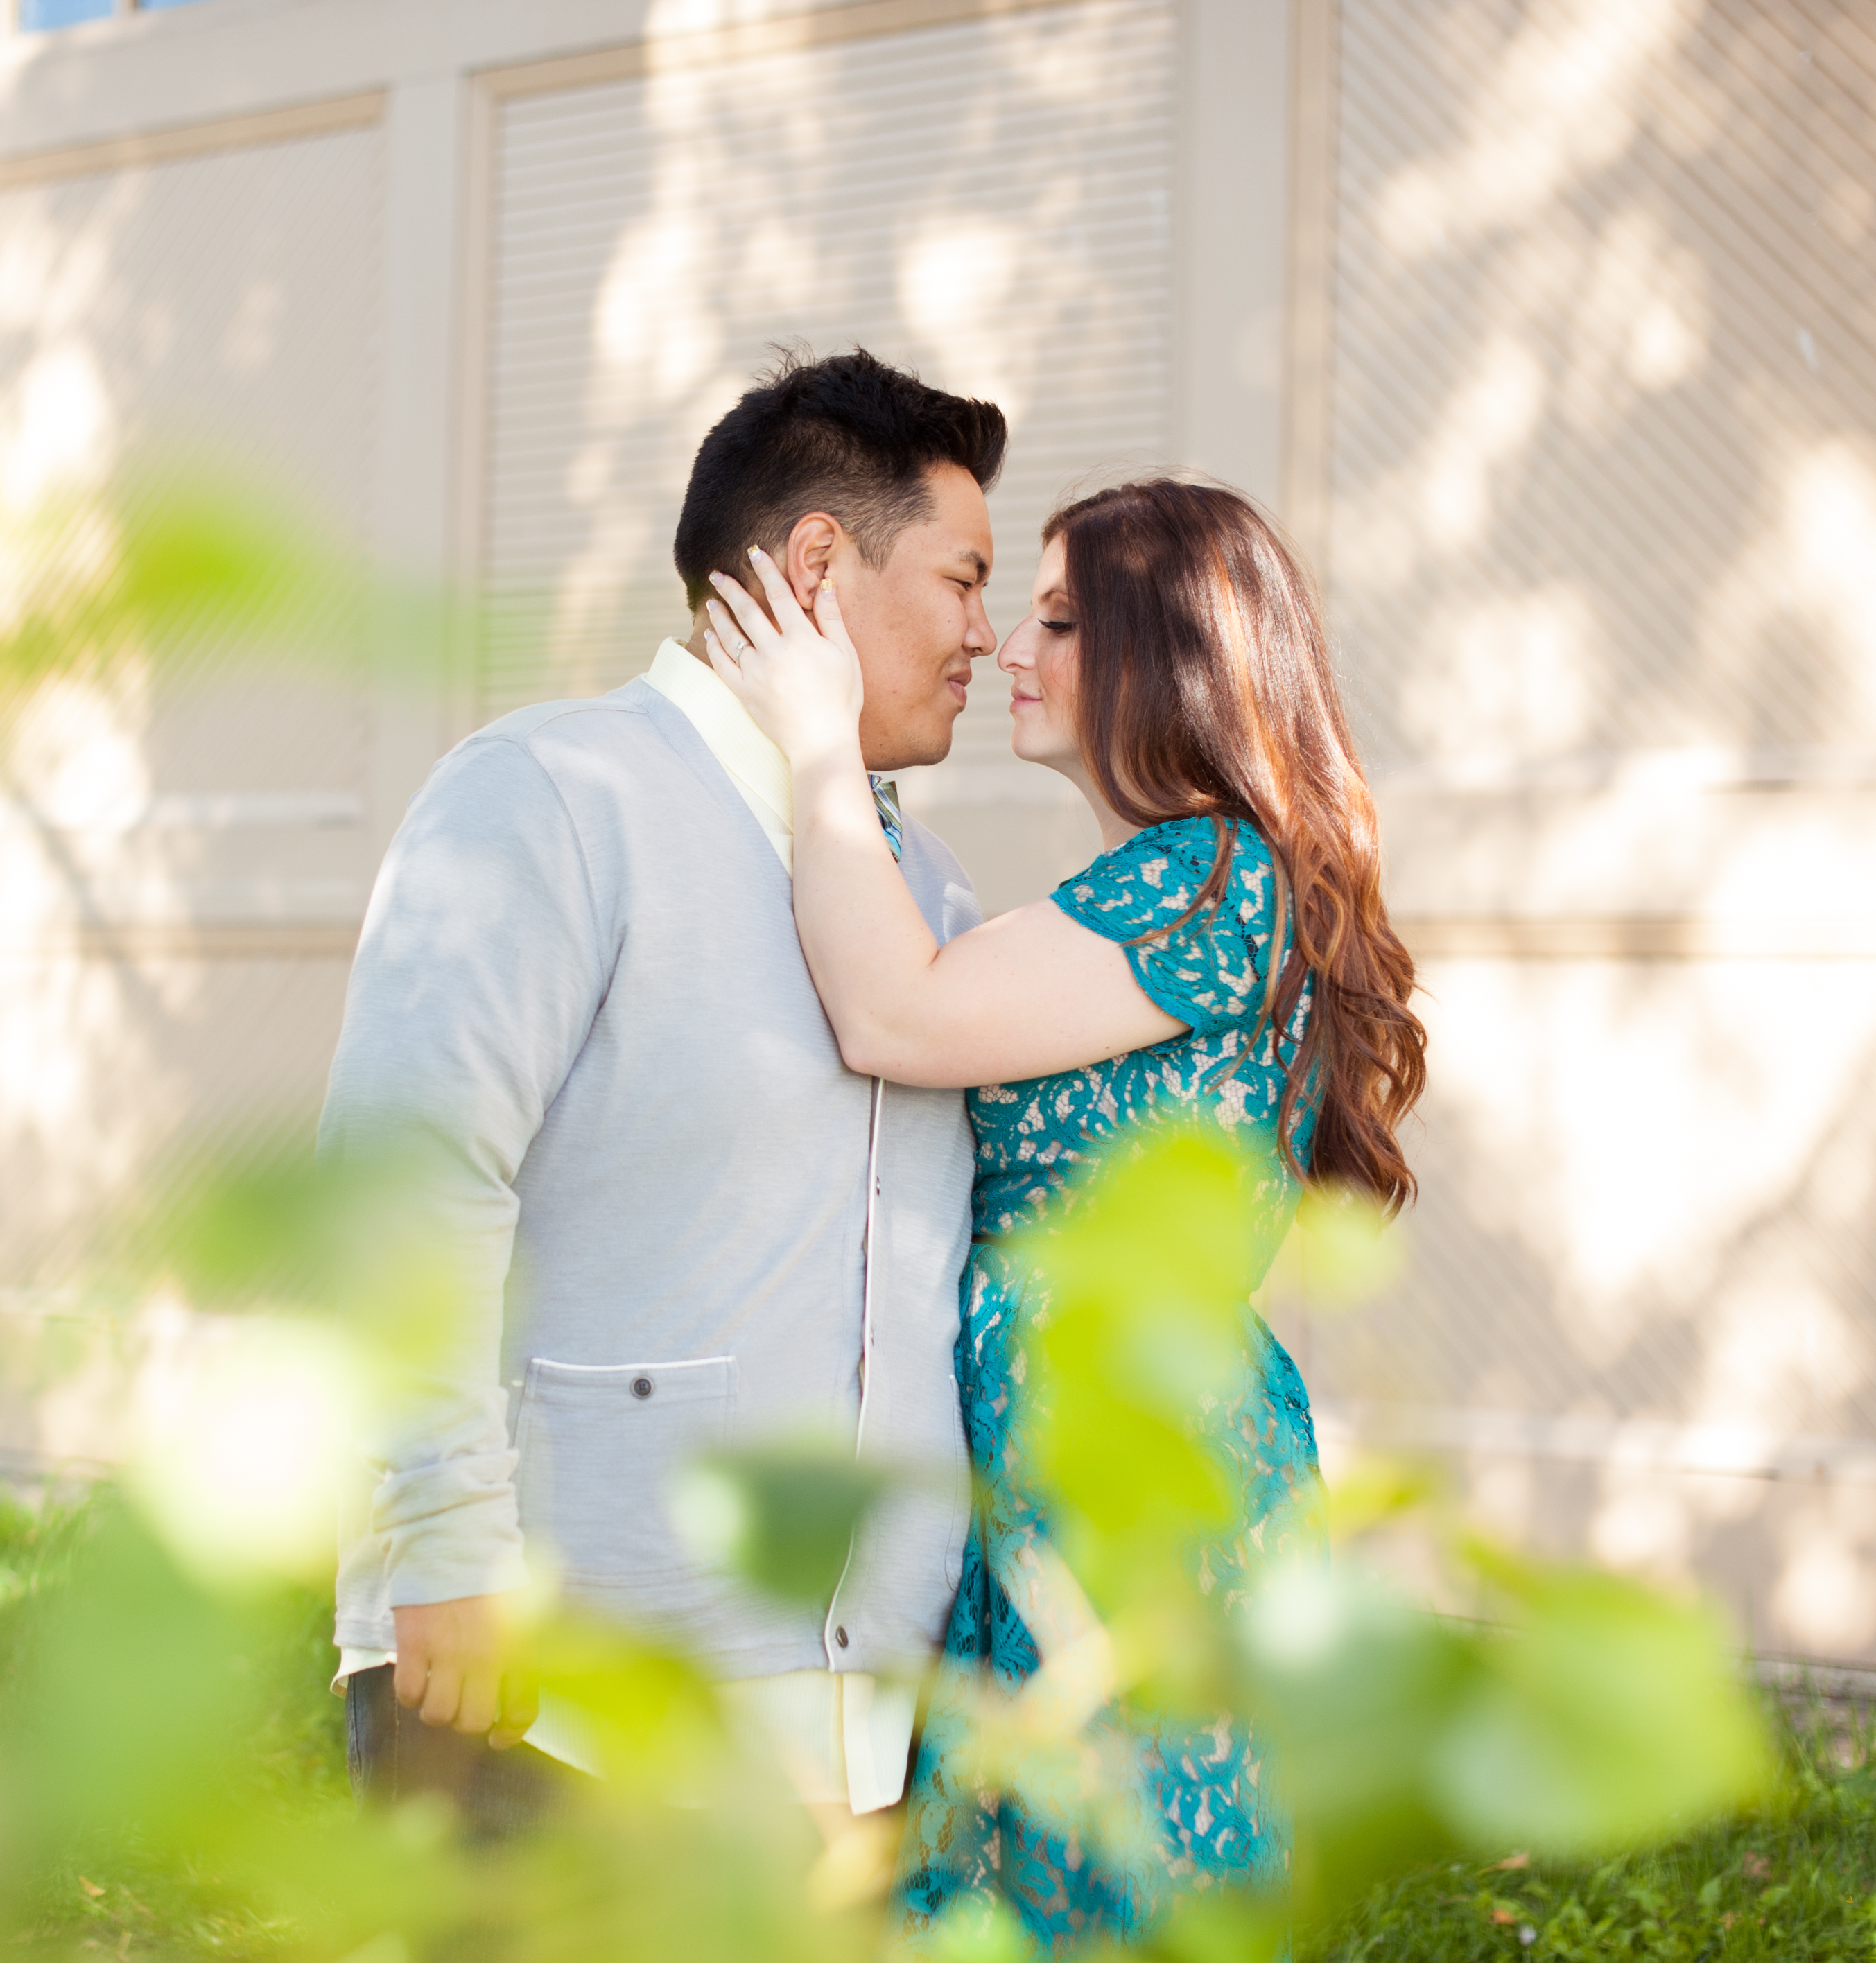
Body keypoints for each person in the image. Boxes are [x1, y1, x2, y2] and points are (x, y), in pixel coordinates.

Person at [700, 476, 1428, 1946]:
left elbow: (895, 1015)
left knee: (1112, 1882)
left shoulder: (1210, 876)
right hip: (1070, 1442)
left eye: (1057, 618)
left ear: (1171, 656)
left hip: (1120, 1462)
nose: (1006, 648)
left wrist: (815, 741)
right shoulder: (1174, 882)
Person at [318, 349, 1006, 1844]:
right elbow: (404, 1180)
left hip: (854, 1741)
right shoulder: (550, 796)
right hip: (552, 1692)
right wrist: (443, 1553)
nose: (986, 633)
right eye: (963, 580)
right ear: (819, 562)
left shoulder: (929, 893)